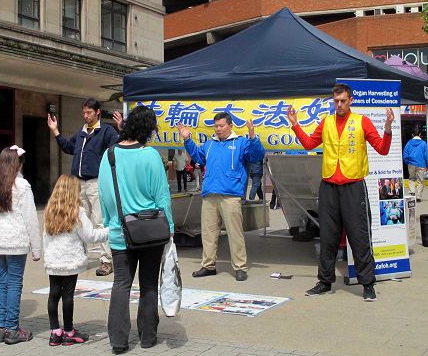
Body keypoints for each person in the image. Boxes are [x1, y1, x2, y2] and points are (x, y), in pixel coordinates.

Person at [287, 83, 394, 302]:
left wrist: (388, 127)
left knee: (359, 235)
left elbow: (382, 149)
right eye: (336, 101)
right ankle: (325, 282)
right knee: (327, 236)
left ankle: (368, 284)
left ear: (350, 100)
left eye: (343, 100)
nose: (339, 104)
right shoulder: (326, 121)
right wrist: (295, 125)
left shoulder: (361, 122)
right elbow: (309, 144)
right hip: (328, 187)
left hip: (353, 186)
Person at [98, 106, 174, 354]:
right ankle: (148, 337)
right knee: (149, 284)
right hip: (150, 232)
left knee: (121, 284)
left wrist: (111, 223)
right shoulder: (150, 155)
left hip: (120, 232)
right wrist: (170, 229)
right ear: (148, 129)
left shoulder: (109, 155)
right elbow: (162, 198)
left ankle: (118, 341)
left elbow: (104, 195)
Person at [178, 112, 264, 281]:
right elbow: (197, 156)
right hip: (210, 194)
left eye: (221, 126)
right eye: (216, 126)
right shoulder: (210, 144)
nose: (218, 129)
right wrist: (187, 139)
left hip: (231, 195)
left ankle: (240, 267)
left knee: (235, 233)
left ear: (230, 125)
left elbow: (256, 156)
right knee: (208, 233)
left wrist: (253, 137)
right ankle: (208, 266)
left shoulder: (241, 143)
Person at [47, 98, 119, 277]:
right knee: (79, 220)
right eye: (84, 112)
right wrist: (55, 131)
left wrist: (122, 129)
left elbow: (117, 147)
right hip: (78, 183)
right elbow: (68, 148)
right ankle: (80, 255)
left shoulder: (106, 131)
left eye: (89, 112)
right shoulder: (81, 133)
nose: (85, 116)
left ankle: (106, 260)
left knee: (99, 220)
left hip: (95, 182)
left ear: (98, 113)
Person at [0, 146, 41, 344]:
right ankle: (12, 328)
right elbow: (31, 219)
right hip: (16, 242)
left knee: (3, 283)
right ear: (18, 164)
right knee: (14, 283)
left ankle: (1, 327)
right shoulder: (22, 186)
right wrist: (37, 248)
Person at [43, 174, 109, 347]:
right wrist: (109, 231)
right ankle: (69, 331)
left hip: (53, 259)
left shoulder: (50, 209)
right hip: (70, 260)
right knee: (68, 296)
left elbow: (45, 236)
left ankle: (54, 331)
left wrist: (46, 254)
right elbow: (90, 236)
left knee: (53, 294)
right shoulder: (77, 212)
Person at [403, 128, 428, 202]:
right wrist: (426, 165)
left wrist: (407, 161)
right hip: (421, 164)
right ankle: (419, 196)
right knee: (420, 180)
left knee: (411, 179)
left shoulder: (409, 143)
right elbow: (426, 155)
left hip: (411, 164)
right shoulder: (424, 143)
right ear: (420, 134)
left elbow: (405, 154)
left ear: (412, 135)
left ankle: (412, 193)